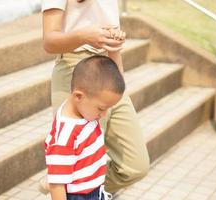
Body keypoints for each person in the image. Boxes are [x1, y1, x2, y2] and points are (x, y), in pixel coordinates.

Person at [41, 0, 150, 194]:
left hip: (108, 65)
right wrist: (84, 36)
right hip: (75, 69)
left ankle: (76, 187)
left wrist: (114, 42)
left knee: (135, 166)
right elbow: (49, 40)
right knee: (75, 163)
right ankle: (65, 184)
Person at [45, 55, 125, 200]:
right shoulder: (65, 136)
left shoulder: (85, 111)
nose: (104, 114)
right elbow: (57, 185)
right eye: (101, 108)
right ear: (78, 96)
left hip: (94, 188)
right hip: (78, 196)